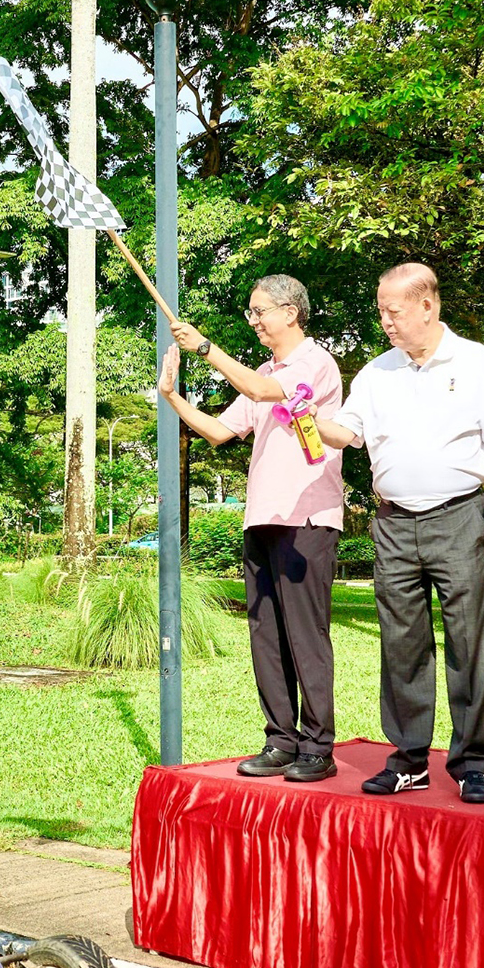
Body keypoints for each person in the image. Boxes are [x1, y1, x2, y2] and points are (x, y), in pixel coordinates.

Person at [313, 263, 484, 802]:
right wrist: (307, 418)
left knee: (468, 642)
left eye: (393, 311)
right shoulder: (377, 372)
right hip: (394, 523)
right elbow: (344, 432)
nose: (385, 321)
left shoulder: (476, 362)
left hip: (460, 518)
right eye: (381, 311)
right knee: (401, 644)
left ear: (427, 305)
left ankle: (472, 764)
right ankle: (409, 759)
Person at [158, 274, 346, 782]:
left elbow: (264, 391)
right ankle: (280, 740)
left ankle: (317, 747)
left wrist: (206, 348)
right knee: (267, 635)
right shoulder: (262, 368)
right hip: (262, 518)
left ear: (291, 311)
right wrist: (172, 397)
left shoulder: (314, 362)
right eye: (252, 311)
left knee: (306, 636)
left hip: (306, 520)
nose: (255, 319)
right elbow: (222, 430)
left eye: (259, 310)